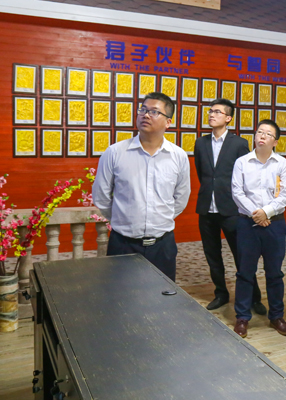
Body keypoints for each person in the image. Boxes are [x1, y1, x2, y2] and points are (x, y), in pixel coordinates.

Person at [93, 92, 190, 281]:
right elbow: (101, 196)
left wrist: (160, 218)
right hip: (123, 244)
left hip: (163, 245)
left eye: (154, 112)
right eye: (143, 110)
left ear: (168, 122)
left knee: (162, 295)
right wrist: (124, 219)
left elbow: (181, 197)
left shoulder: (178, 156)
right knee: (120, 294)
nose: (145, 115)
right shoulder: (115, 152)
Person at [194, 98, 266, 314]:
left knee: (242, 255)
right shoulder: (200, 143)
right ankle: (221, 293)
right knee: (212, 255)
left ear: (228, 118)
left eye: (217, 112)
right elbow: (202, 173)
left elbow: (247, 177)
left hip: (232, 209)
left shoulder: (239, 144)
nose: (211, 114)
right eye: (210, 111)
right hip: (206, 208)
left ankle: (253, 297)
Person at [231, 120, 286, 338]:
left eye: (268, 133)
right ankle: (242, 317)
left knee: (274, 273)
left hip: (275, 224)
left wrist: (266, 212)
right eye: (259, 132)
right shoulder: (242, 162)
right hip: (247, 224)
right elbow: (237, 192)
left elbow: (285, 195)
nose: (262, 136)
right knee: (245, 272)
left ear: (275, 141)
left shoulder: (282, 164)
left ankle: (276, 316)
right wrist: (256, 214)